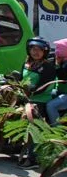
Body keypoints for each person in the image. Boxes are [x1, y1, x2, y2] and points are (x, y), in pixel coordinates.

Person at [21, 37, 57, 166]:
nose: (35, 52)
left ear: (44, 52)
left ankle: (33, 158)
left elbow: (43, 87)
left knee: (33, 129)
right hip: (27, 98)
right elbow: (21, 79)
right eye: (33, 49)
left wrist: (31, 91)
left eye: (39, 50)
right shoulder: (27, 63)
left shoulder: (47, 67)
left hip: (39, 101)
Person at [48, 39, 67, 125]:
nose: (56, 50)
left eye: (59, 48)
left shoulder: (64, 64)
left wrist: (57, 65)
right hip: (60, 91)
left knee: (51, 106)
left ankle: (56, 130)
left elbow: (62, 78)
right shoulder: (61, 61)